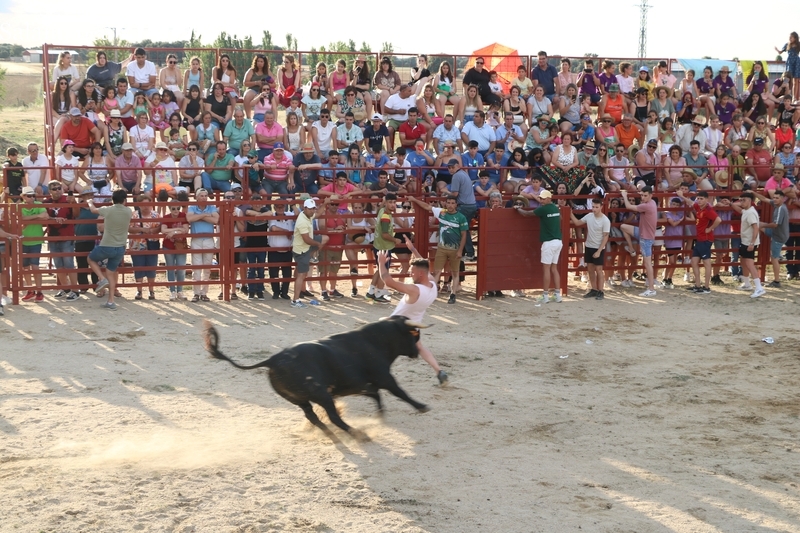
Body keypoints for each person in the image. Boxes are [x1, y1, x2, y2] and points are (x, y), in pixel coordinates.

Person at [379, 244, 448, 385]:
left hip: (396, 326)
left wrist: (381, 263)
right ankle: (439, 371)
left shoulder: (414, 289)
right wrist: (413, 250)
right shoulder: (433, 285)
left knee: (377, 342)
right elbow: (424, 265)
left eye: (412, 272)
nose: (410, 274)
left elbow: (388, 281)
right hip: (413, 327)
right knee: (420, 347)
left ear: (420, 274)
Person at [409, 195, 468, 305]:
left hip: (455, 249)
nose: (450, 205)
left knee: (455, 272)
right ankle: (432, 294)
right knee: (437, 271)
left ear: (456, 205)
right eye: (448, 203)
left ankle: (453, 294)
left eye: (452, 203)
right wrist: (414, 199)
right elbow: (427, 207)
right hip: (442, 248)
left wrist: (460, 250)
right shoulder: (442, 212)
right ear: (445, 203)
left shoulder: (461, 217)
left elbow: (464, 235)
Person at [87, 189, 133, 310]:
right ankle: (111, 301)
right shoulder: (128, 211)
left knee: (90, 259)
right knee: (111, 273)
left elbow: (93, 210)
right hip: (120, 247)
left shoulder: (108, 210)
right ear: (124, 200)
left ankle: (101, 279)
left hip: (107, 244)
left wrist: (89, 202)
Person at [514, 189, 562, 302]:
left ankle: (545, 296)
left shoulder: (543, 209)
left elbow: (527, 214)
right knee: (554, 268)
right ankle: (557, 295)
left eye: (543, 198)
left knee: (546, 269)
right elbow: (561, 219)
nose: (541, 200)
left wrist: (518, 209)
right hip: (558, 241)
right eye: (540, 198)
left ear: (549, 198)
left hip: (549, 242)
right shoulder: (555, 208)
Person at [676, 190, 722, 294]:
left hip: (705, 239)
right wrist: (682, 196)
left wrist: (710, 229)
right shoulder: (699, 207)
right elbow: (691, 203)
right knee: (694, 262)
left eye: (702, 199)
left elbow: (718, 220)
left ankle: (706, 287)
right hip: (700, 239)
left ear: (707, 199)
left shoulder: (708, 210)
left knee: (706, 263)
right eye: (698, 198)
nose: (699, 200)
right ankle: (697, 285)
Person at [44, 180, 80, 300]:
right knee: (58, 265)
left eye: (59, 188)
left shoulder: (68, 200)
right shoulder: (46, 202)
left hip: (67, 235)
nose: (57, 190)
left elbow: (76, 214)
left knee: (69, 264)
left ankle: (75, 290)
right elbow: (43, 217)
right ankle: (65, 288)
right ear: (50, 191)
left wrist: (74, 203)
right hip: (53, 236)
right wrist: (54, 219)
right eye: (54, 189)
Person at [570, 197, 611, 300]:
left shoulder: (605, 220)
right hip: (589, 246)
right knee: (590, 269)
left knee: (599, 269)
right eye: (593, 207)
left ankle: (601, 291)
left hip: (598, 247)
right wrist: (570, 213)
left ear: (601, 207)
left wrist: (599, 250)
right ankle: (594, 289)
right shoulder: (589, 216)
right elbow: (578, 223)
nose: (594, 209)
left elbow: (606, 237)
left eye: (596, 207)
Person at [291, 198, 329, 308]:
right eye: (311, 209)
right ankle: (295, 300)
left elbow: (318, 214)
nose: (313, 211)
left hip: (303, 247)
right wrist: (317, 244)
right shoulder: (302, 221)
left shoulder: (306, 215)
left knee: (325, 238)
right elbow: (306, 239)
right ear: (305, 208)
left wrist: (325, 204)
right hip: (302, 250)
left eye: (313, 209)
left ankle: (312, 256)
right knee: (301, 275)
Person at [620, 187, 658, 297]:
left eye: (645, 195)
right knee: (623, 227)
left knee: (647, 263)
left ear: (650, 195)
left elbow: (628, 206)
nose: (643, 197)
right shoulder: (653, 203)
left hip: (646, 238)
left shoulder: (646, 206)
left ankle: (651, 289)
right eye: (641, 195)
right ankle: (631, 248)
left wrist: (624, 196)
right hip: (642, 233)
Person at [366, 193, 401, 304]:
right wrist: (395, 240)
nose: (393, 205)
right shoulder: (386, 216)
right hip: (384, 247)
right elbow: (385, 235)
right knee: (383, 271)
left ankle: (371, 292)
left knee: (379, 269)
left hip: (378, 245)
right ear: (386, 203)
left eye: (394, 202)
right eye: (390, 202)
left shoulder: (382, 211)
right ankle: (379, 293)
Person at [186, 188, 219, 302]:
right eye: (202, 195)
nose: (204, 197)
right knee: (197, 268)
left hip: (209, 239)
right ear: (197, 197)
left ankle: (204, 293)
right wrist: (206, 215)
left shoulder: (212, 207)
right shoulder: (192, 208)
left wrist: (199, 216)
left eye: (205, 195)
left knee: (207, 268)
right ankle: (196, 293)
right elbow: (190, 218)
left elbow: (215, 220)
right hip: (196, 239)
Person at [731, 192, 765, 298]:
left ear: (750, 201)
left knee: (750, 264)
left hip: (749, 242)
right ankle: (747, 283)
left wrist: (751, 243)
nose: (741, 202)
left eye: (744, 200)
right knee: (744, 262)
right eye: (740, 200)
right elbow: (740, 209)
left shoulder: (750, 213)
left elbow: (756, 228)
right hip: (745, 241)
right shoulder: (747, 211)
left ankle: (759, 288)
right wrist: (731, 203)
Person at [19, 186, 48, 303]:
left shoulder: (38, 204)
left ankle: (39, 291)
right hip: (23, 239)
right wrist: (36, 216)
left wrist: (27, 220)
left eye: (32, 195)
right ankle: (31, 290)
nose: (31, 198)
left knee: (35, 266)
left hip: (35, 240)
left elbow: (45, 216)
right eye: (28, 195)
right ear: (23, 197)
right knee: (25, 267)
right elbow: (20, 219)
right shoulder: (19, 206)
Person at [757, 189, 790, 288]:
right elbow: (763, 198)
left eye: (777, 198)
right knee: (758, 225)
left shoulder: (781, 209)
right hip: (777, 233)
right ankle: (755, 243)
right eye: (774, 198)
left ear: (782, 199)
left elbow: (775, 224)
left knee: (774, 258)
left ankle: (776, 281)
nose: (775, 199)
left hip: (778, 236)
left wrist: (764, 225)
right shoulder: (778, 205)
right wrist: (752, 192)